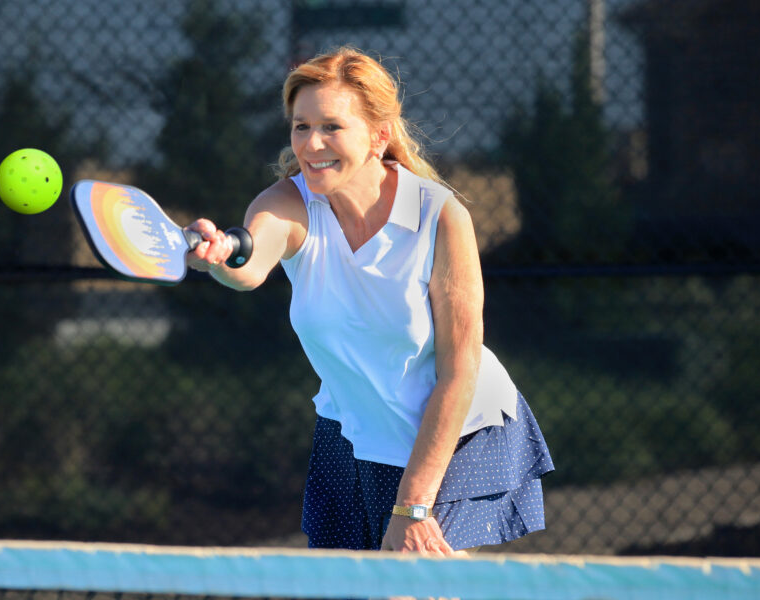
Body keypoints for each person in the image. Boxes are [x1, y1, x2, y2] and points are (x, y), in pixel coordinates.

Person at [185, 46, 553, 555]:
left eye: (331, 127)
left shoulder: (441, 217)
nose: (311, 144)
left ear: (380, 136)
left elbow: (460, 370)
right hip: (351, 431)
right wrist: (221, 254)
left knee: (408, 589)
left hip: (454, 432)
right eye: (300, 126)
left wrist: (414, 507)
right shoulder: (288, 202)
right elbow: (249, 264)